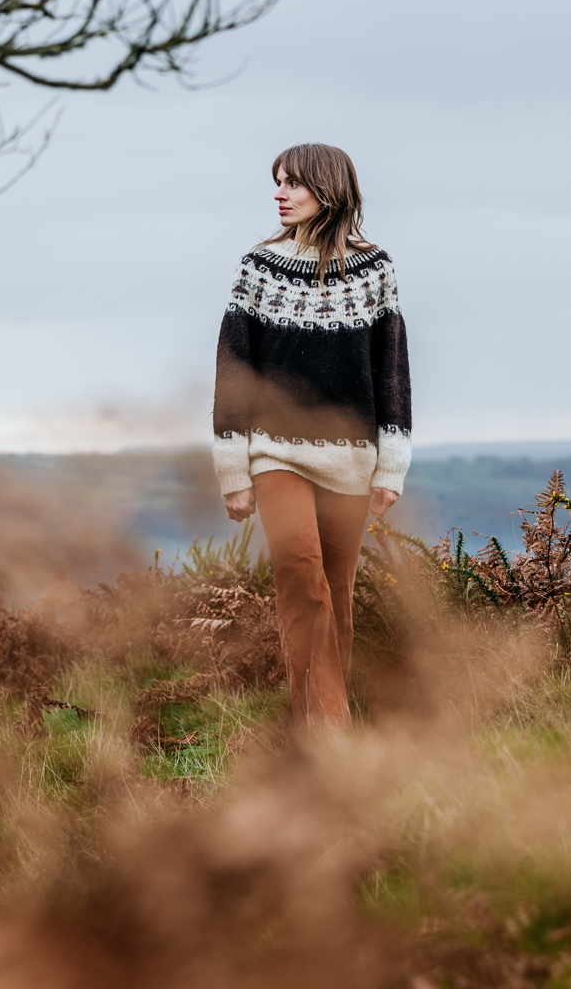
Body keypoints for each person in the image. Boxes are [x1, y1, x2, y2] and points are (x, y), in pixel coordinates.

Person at [211, 142, 411, 730]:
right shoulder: (258, 267)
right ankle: (333, 731)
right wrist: (233, 471)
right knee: (303, 580)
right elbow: (233, 371)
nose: (279, 194)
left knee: (339, 598)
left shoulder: (376, 269)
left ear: (329, 189)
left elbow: (391, 370)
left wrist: (391, 465)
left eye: (292, 184)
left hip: (353, 461)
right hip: (276, 456)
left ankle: (311, 731)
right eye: (277, 183)